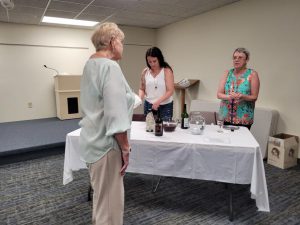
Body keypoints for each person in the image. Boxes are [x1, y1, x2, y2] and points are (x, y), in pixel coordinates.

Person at [79, 22, 134, 225]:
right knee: (110, 209)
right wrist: (126, 148)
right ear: (112, 42)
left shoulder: (90, 65)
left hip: (92, 141)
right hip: (107, 146)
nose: (122, 46)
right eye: (121, 41)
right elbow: (115, 113)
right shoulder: (110, 67)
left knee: (102, 201)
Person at [217, 47, 260, 130]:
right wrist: (229, 97)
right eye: (234, 57)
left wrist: (242, 96)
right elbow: (219, 94)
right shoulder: (227, 73)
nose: (236, 60)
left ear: (246, 60)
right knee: (226, 141)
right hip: (225, 117)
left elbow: (254, 97)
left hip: (243, 118)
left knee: (240, 142)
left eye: (240, 57)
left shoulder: (252, 74)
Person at [139, 47, 174, 120]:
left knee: (164, 129)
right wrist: (140, 99)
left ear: (159, 59)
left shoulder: (166, 71)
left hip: (165, 105)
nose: (152, 64)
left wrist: (158, 102)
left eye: (154, 61)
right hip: (149, 104)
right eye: (149, 61)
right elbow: (142, 89)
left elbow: (170, 91)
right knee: (149, 128)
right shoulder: (145, 72)